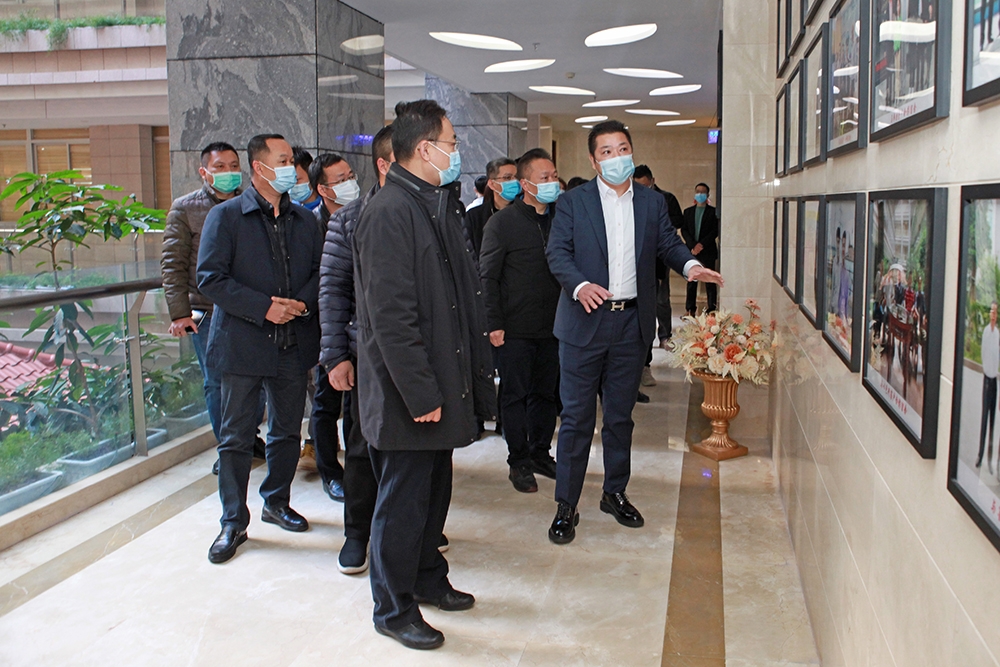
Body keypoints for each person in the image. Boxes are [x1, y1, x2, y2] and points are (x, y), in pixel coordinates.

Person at [353, 99, 496, 650]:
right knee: (403, 503)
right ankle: (392, 608)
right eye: (451, 143)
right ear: (424, 148)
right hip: (409, 393)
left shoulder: (434, 203)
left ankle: (428, 578)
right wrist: (420, 393)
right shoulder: (389, 211)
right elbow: (391, 317)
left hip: (440, 382)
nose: (457, 152)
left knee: (432, 496)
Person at [545, 120, 724, 545]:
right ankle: (566, 504)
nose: (616, 157)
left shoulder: (651, 201)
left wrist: (691, 266)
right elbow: (557, 253)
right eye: (606, 151)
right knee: (576, 419)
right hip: (583, 321)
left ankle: (614, 492)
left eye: (622, 148)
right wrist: (580, 285)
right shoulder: (573, 202)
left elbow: (668, 244)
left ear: (631, 151)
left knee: (620, 417)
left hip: (630, 324)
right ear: (594, 161)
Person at [197, 133, 323, 564]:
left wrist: (301, 303)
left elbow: (319, 271)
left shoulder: (305, 220)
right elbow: (210, 278)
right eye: (283, 160)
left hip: (292, 343)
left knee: (286, 431)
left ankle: (276, 501)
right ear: (259, 167)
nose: (292, 168)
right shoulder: (226, 217)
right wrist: (264, 308)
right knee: (235, 438)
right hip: (243, 344)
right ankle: (233, 520)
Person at [318, 126, 392, 574]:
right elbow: (332, 293)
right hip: (365, 357)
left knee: (417, 453)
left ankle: (414, 530)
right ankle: (357, 534)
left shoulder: (437, 211)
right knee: (362, 448)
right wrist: (336, 357)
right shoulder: (349, 219)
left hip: (418, 357)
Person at [480, 148, 561, 494]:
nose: (553, 182)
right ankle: (519, 460)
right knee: (515, 396)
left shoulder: (561, 219)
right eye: (545, 178)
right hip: (514, 328)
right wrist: (493, 323)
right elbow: (488, 276)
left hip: (555, 326)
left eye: (554, 176)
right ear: (526, 184)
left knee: (547, 394)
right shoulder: (502, 223)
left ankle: (541, 452)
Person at [162, 142, 242, 445]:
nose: (228, 172)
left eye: (234, 166)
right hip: (207, 311)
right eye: (219, 167)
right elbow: (173, 263)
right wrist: (179, 313)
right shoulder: (186, 208)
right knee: (216, 382)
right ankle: (228, 447)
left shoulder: (250, 203)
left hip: (247, 307)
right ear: (204, 172)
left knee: (253, 381)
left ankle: (247, 439)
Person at [304, 152, 361, 502]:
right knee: (326, 403)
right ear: (323, 189)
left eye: (350, 176)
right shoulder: (311, 225)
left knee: (356, 406)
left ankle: (359, 469)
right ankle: (330, 472)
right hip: (327, 329)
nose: (350, 183)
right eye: (341, 180)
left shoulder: (364, 216)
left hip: (360, 329)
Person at [633, 164, 684, 355]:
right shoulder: (630, 199)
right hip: (638, 258)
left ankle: (664, 335)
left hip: (660, 258)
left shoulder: (666, 198)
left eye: (645, 185)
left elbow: (678, 221)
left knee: (661, 299)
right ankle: (644, 345)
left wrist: (658, 225)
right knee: (641, 301)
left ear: (652, 181)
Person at [465, 157, 518, 261]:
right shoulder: (475, 216)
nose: (514, 181)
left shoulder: (526, 212)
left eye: (516, 177)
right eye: (508, 178)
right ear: (492, 184)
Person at [682, 183, 720, 316]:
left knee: (710, 281)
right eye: (698, 191)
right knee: (691, 281)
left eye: (703, 192)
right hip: (692, 251)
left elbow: (714, 231)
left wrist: (701, 245)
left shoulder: (713, 212)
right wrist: (693, 245)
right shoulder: (688, 212)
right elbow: (684, 230)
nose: (700, 194)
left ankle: (712, 309)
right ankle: (690, 309)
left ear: (708, 195)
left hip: (707, 251)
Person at [979, 303, 999, 473]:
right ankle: (980, 455)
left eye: (995, 312)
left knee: (993, 421)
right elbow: (984, 353)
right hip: (987, 378)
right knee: (984, 419)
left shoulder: (998, 334)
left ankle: (990, 460)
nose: (993, 314)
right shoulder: (986, 332)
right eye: (991, 311)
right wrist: (987, 369)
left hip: (994, 381)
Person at [290, 146, 322, 211]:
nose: (292, 185)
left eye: (297, 180)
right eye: (288, 181)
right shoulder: (289, 209)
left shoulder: (326, 208)